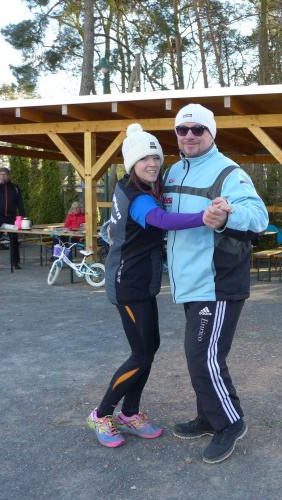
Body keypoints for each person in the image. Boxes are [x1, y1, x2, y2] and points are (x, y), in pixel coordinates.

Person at [86, 124, 210, 448]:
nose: (152, 164)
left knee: (148, 349)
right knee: (140, 353)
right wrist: (204, 216)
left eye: (156, 157)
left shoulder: (135, 186)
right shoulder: (137, 197)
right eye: (144, 159)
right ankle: (101, 413)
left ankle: (130, 412)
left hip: (142, 283)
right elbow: (163, 221)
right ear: (132, 163)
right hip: (128, 285)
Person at [163, 103, 269, 464]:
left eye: (198, 129)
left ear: (211, 133)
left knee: (203, 356)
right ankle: (208, 417)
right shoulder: (174, 171)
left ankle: (230, 423)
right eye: (182, 130)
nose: (189, 135)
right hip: (189, 281)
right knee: (200, 357)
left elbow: (258, 217)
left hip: (217, 282)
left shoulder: (229, 173)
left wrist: (226, 215)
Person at [0, 167, 25, 270]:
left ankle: (15, 263)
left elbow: (20, 203)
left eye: (5, 174)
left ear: (9, 175)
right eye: (1, 174)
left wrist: (22, 217)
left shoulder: (15, 187)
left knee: (14, 240)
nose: (3, 176)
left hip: (11, 217)